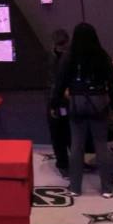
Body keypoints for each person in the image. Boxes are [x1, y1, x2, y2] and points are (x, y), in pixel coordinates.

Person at [51, 22, 113, 198]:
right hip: (99, 104)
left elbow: (60, 83)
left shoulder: (70, 56)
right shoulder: (101, 55)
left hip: (76, 104)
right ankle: (107, 188)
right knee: (101, 146)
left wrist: (55, 104)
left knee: (76, 146)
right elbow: (112, 83)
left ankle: (75, 187)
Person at [46, 29, 71, 177]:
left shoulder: (71, 56)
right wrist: (53, 103)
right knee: (58, 134)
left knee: (71, 134)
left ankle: (72, 162)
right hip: (55, 99)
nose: (61, 47)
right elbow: (51, 82)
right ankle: (62, 163)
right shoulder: (51, 58)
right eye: (59, 44)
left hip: (68, 100)